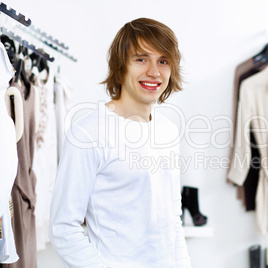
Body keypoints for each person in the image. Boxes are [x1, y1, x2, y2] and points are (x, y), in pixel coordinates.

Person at [49, 18, 192, 268]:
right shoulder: (87, 132)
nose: (154, 72)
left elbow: (173, 219)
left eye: (163, 61)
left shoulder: (168, 130)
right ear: (121, 65)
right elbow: (64, 229)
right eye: (141, 59)